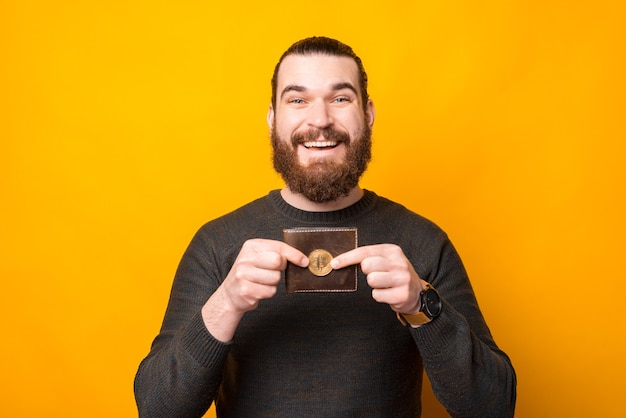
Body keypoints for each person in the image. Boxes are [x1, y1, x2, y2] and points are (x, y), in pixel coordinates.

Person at [134, 36, 517, 417]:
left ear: (367, 114)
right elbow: (157, 409)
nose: (319, 120)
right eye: (298, 100)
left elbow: (493, 407)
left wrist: (422, 304)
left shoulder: (423, 242)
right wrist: (226, 303)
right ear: (273, 118)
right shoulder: (217, 245)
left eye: (340, 98)